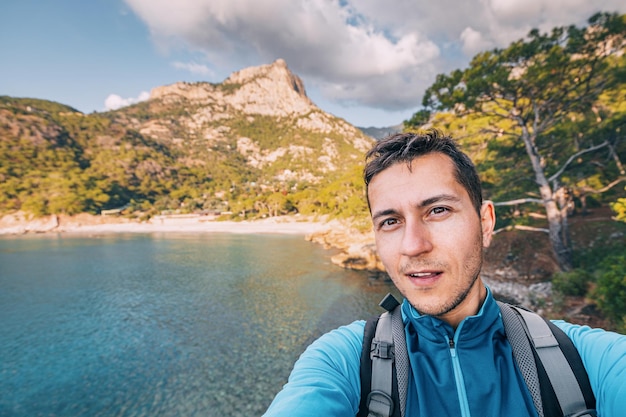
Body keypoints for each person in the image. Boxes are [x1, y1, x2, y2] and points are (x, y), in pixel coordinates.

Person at [263, 130, 626, 417]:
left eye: (437, 211)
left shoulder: (581, 359)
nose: (413, 245)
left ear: (485, 223)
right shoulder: (343, 360)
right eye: (390, 221)